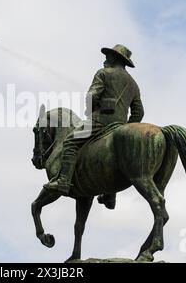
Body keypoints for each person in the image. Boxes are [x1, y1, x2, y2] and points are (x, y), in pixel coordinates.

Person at [43, 44, 144, 204]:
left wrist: (91, 111)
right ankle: (110, 196)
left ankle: (63, 182)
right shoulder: (133, 84)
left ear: (115, 58)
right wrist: (127, 127)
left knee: (69, 142)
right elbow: (139, 112)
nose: (105, 59)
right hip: (119, 125)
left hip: (98, 122)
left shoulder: (103, 73)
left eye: (108, 56)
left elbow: (91, 96)